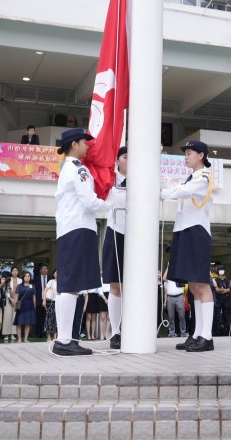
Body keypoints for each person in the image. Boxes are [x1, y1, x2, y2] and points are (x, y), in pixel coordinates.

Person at [53, 127, 112, 356]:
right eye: (85, 142)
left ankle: (68, 338)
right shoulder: (78, 169)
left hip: (73, 227)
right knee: (70, 285)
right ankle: (65, 341)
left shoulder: (70, 167)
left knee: (71, 285)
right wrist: (109, 205)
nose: (88, 145)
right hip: (77, 227)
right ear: (74, 144)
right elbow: (89, 200)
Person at [162, 140, 216, 353]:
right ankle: (197, 334)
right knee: (192, 286)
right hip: (184, 229)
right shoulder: (190, 177)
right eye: (185, 153)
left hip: (196, 231)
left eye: (190, 153)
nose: (186, 156)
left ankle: (207, 336)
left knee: (201, 284)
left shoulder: (203, 177)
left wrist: (164, 192)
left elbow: (182, 192)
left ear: (201, 155)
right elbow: (180, 189)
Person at [102, 146, 128, 349]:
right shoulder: (110, 180)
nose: (130, 161)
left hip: (136, 237)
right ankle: (116, 332)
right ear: (118, 160)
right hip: (115, 231)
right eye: (126, 157)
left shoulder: (142, 179)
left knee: (133, 286)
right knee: (115, 285)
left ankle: (132, 328)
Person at [14, 271, 37, 342]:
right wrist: (15, 305)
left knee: (28, 323)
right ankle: (19, 338)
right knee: (19, 323)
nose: (27, 277)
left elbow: (34, 297)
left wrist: (34, 306)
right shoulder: (19, 286)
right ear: (23, 277)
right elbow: (16, 296)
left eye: (29, 276)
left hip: (30, 305)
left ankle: (26, 339)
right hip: (21, 305)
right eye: (26, 276)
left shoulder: (33, 285)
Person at [164, 272, 187, 338]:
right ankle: (172, 333)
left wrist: (184, 297)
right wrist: (168, 267)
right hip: (170, 297)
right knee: (171, 316)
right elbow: (164, 278)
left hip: (179, 296)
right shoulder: (168, 276)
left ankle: (183, 332)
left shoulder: (179, 274)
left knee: (182, 316)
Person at [212, 264, 231, 338]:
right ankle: (215, 331)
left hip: (225, 300)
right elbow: (217, 290)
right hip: (218, 300)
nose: (221, 271)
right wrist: (224, 290)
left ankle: (225, 330)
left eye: (222, 269)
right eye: (220, 270)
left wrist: (221, 290)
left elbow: (229, 289)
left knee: (225, 315)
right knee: (217, 315)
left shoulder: (226, 280)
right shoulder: (216, 279)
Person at [3, 267, 20, 342]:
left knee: (15, 317)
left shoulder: (21, 280)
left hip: (17, 301)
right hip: (8, 300)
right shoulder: (8, 279)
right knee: (7, 316)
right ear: (11, 272)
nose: (15, 272)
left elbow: (21, 291)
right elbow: (5, 291)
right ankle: (6, 334)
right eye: (13, 271)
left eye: (16, 270)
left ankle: (13, 334)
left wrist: (16, 300)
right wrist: (10, 299)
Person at [35, 264, 50, 339]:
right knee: (39, 317)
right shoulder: (36, 279)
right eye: (43, 268)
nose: (44, 270)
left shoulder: (50, 278)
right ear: (40, 270)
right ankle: (39, 333)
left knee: (47, 317)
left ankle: (46, 332)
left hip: (48, 300)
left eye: (46, 268)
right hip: (39, 300)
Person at [42, 269, 58, 342]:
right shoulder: (51, 281)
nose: (57, 274)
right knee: (49, 319)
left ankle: (55, 336)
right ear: (53, 274)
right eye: (56, 273)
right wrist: (44, 300)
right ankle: (48, 337)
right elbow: (45, 290)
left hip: (59, 303)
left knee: (57, 319)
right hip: (51, 302)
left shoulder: (62, 282)